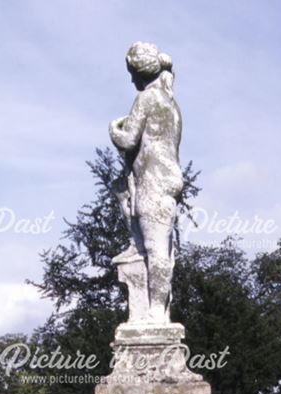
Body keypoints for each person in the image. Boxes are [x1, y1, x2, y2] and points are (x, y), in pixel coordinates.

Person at [110, 42, 184, 324]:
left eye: (132, 73)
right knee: (155, 249)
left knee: (155, 251)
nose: (131, 80)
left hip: (154, 183)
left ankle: (154, 314)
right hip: (164, 181)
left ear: (139, 72)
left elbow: (128, 139)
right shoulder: (170, 103)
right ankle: (155, 312)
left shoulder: (148, 98)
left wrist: (112, 127)